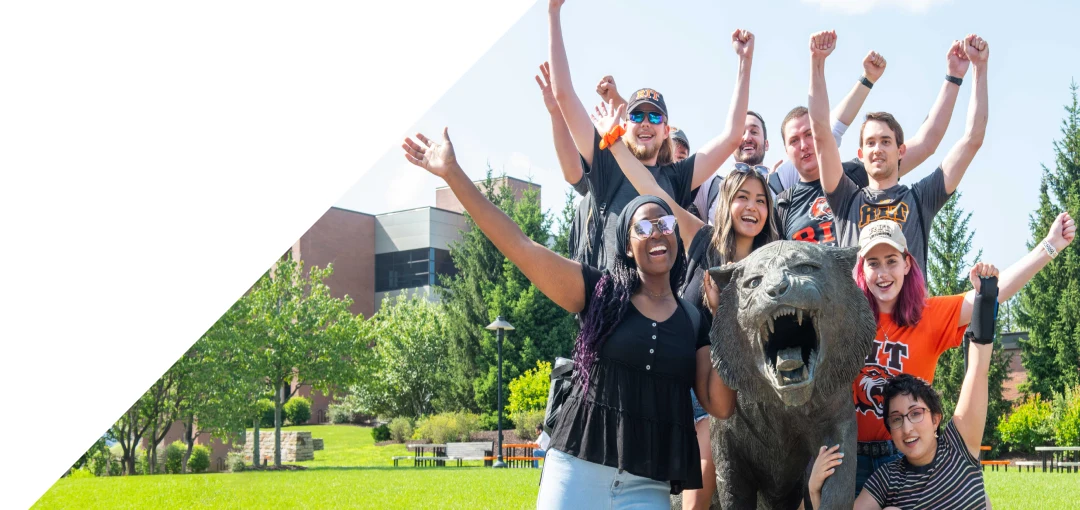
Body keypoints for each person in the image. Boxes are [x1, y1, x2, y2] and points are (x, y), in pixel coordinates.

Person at [401, 127, 737, 509]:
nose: (657, 232)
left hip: (647, 488)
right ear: (627, 246)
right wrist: (453, 174)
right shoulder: (600, 292)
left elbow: (721, 405)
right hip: (576, 472)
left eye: (666, 224)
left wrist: (723, 317)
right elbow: (521, 246)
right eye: (643, 227)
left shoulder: (694, 320)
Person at [588, 91, 780, 510]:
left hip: (733, 379)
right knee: (701, 457)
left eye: (760, 200)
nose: (751, 207)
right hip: (685, 367)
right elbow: (651, 189)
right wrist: (615, 140)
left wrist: (725, 311)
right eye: (742, 197)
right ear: (726, 204)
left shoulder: (769, 264)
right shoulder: (703, 239)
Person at [830, 212, 1075, 497]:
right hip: (850, 456)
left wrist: (1050, 246)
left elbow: (992, 294)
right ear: (862, 269)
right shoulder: (846, 320)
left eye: (891, 261)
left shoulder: (928, 316)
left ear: (907, 264)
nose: (883, 273)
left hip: (904, 456)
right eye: (873, 263)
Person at [548, 0, 754, 271]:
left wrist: (744, 62)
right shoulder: (605, 164)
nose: (646, 123)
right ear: (625, 125)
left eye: (655, 117)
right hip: (613, 293)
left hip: (663, 296)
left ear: (666, 130)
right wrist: (553, 12)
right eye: (637, 116)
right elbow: (564, 95)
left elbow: (732, 137)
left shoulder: (677, 177)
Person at [810, 30, 990, 272]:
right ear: (861, 155)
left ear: (901, 150)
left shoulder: (921, 199)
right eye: (870, 143)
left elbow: (972, 140)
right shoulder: (846, 198)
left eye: (885, 141)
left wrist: (979, 67)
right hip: (857, 299)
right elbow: (821, 133)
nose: (877, 149)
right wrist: (817, 61)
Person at [774, 39, 970, 246]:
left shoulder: (858, 174)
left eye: (809, 134)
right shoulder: (783, 205)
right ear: (785, 150)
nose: (804, 145)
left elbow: (925, 144)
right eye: (794, 140)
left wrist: (953, 77)